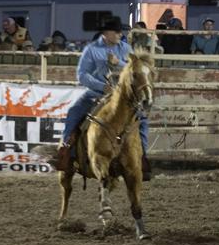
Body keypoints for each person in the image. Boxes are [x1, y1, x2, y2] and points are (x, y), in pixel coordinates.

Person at [57, 17, 150, 180]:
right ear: (106, 33)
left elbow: (136, 69)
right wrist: (102, 86)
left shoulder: (126, 48)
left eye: (121, 32)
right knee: (74, 113)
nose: (120, 34)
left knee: (141, 119)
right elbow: (82, 75)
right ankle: (66, 153)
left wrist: (119, 63)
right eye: (117, 32)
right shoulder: (91, 50)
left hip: (122, 97)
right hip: (97, 94)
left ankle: (141, 157)